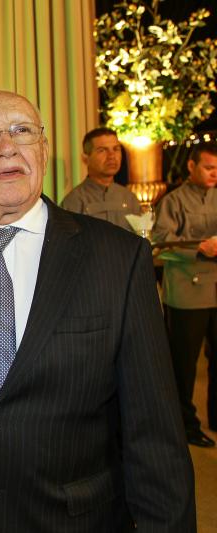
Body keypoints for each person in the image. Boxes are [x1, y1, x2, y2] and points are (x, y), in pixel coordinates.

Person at [0, 90, 195, 532]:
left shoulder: (118, 259)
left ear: (43, 151)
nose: (8, 146)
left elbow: (154, 432)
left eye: (23, 130)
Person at [152, 141, 217, 448]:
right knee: (184, 364)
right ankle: (185, 425)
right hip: (187, 291)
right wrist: (199, 247)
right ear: (191, 166)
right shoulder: (173, 200)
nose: (214, 174)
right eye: (209, 167)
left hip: (215, 287)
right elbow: (161, 243)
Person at [61, 127, 140, 231]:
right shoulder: (75, 201)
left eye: (116, 149)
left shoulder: (129, 198)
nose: (111, 156)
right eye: (102, 150)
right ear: (85, 159)